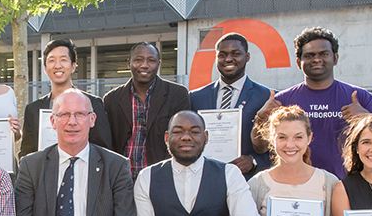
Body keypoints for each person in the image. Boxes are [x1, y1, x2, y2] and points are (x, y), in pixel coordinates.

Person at [252, 27, 372, 179]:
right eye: (309, 55)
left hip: (348, 186)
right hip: (296, 186)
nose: (317, 59)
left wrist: (365, 119)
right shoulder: (282, 100)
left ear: (336, 58)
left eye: (324, 54)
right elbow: (260, 148)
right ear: (299, 62)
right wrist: (261, 117)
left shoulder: (360, 98)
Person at [188, 32, 273, 179]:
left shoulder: (266, 97)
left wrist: (254, 161)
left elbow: (277, 144)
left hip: (247, 180)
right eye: (222, 55)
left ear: (247, 57)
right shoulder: (195, 97)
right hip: (204, 179)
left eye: (236, 54)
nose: (228, 59)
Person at [104, 42, 190, 179]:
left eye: (151, 60)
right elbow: (108, 144)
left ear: (159, 64)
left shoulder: (177, 94)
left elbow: (181, 139)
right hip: (123, 179)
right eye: (139, 60)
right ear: (129, 63)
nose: (145, 65)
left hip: (162, 177)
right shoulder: (111, 99)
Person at [19, 39, 112, 158]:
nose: (58, 65)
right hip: (44, 174)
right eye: (52, 60)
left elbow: (104, 149)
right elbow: (26, 153)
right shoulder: (33, 110)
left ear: (73, 66)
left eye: (63, 60)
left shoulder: (92, 104)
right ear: (45, 68)